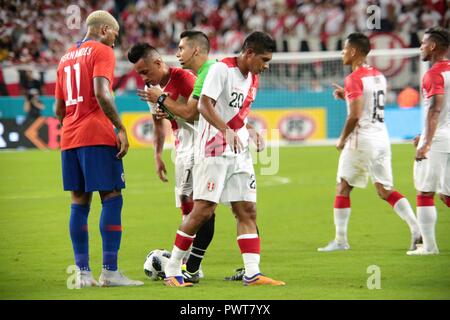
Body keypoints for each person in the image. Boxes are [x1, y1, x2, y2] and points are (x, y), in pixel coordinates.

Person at [163, 31, 285, 287]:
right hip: (213, 149)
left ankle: (252, 273)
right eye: (263, 59)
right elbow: (203, 106)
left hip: (238, 150)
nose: (266, 65)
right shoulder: (221, 69)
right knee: (203, 210)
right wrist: (226, 131)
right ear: (248, 53)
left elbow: (238, 113)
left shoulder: (252, 78)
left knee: (247, 210)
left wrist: (249, 130)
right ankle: (173, 268)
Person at [54, 10, 143, 287]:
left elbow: (59, 109)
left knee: (79, 203)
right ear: (104, 30)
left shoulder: (65, 57)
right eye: (115, 35)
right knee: (112, 196)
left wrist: (74, 124)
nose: (115, 42)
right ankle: (110, 272)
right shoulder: (102, 51)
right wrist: (120, 127)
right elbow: (102, 92)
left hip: (70, 137)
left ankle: (82, 274)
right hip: (96, 135)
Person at [318, 33, 422, 253]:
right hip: (382, 138)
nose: (342, 52)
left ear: (354, 51)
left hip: (361, 139)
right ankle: (416, 229)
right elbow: (367, 101)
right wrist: (345, 95)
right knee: (385, 190)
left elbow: (355, 116)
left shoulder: (354, 78)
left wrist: (341, 140)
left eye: (345, 48)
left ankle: (340, 240)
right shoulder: (378, 76)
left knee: (343, 186)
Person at [407, 27, 450, 256]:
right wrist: (423, 134)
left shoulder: (434, 74)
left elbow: (435, 110)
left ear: (433, 47)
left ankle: (429, 247)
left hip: (439, 140)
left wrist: (426, 143)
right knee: (448, 195)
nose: (421, 47)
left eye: (423, 43)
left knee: (425, 192)